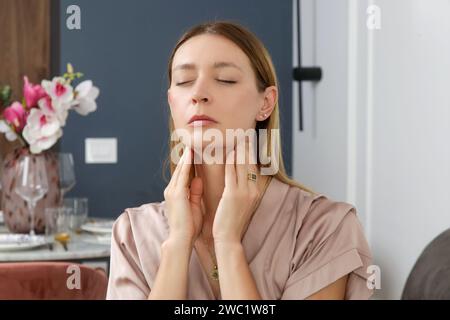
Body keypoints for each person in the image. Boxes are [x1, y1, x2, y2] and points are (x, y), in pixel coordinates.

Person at [106, 21, 373, 300]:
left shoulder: (325, 228)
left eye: (225, 80)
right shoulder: (133, 235)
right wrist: (177, 244)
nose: (198, 94)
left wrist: (228, 244)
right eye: (184, 82)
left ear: (265, 103)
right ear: (172, 103)